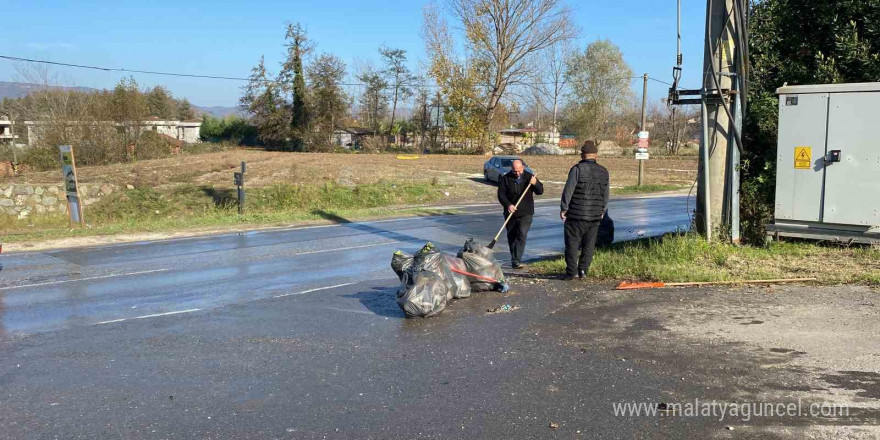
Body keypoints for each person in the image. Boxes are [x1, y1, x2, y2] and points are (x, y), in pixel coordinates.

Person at [559, 141, 610, 280]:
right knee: (589, 245)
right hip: (594, 216)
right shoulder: (604, 171)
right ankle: (583, 271)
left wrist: (564, 208)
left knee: (572, 244)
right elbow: (606, 194)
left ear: (582, 155)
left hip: (576, 215)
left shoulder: (577, 169)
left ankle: (572, 272)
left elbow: (568, 190)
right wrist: (602, 210)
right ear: (596, 156)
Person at [497, 159, 544, 269]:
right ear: (511, 169)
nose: (517, 173)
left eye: (519, 171)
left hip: (526, 212)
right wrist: (508, 205)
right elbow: (501, 195)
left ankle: (516, 260)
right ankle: (514, 259)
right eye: (514, 171)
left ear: (523, 167)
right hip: (510, 213)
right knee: (512, 236)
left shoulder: (529, 177)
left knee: (522, 234)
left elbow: (540, 191)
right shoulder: (506, 178)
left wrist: (535, 183)